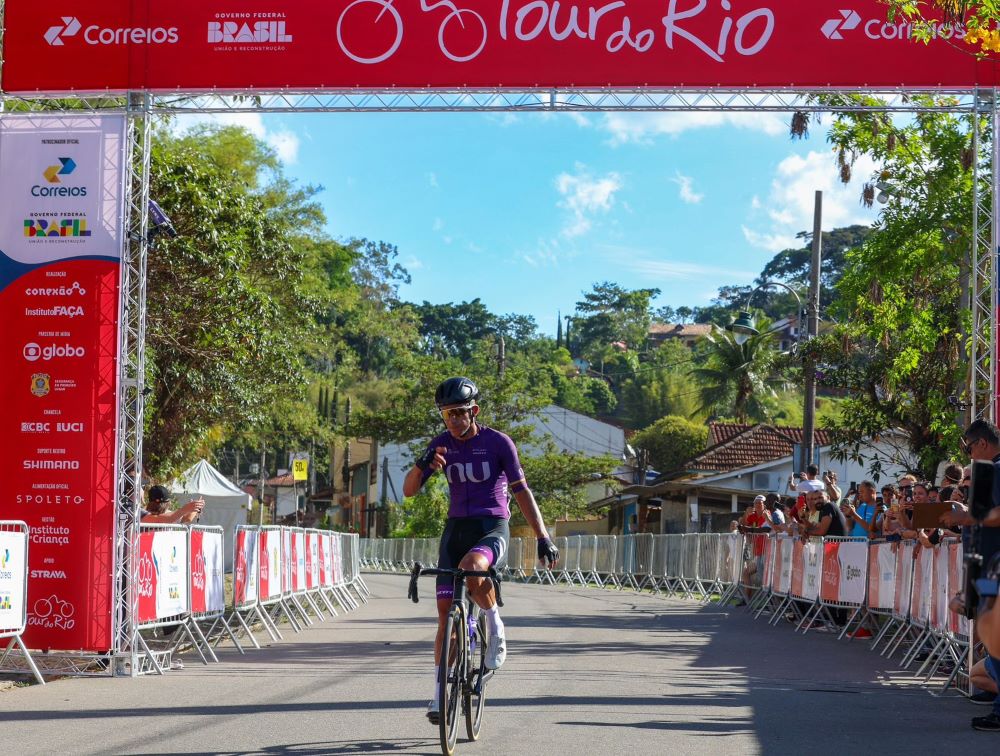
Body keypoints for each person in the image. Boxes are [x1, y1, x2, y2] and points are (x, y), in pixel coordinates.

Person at [402, 376, 558, 725]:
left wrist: (542, 536)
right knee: (445, 618)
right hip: (455, 529)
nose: (454, 420)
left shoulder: (498, 442)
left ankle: (494, 624)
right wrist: (424, 463)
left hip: (491, 527)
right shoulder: (441, 444)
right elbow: (410, 490)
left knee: (473, 565)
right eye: (447, 414)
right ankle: (440, 693)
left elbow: (521, 492)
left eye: (459, 412)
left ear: (474, 411)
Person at [938, 420, 1000, 731]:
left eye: (969, 448)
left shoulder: (997, 470)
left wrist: (966, 516)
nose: (969, 455)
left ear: (983, 444)